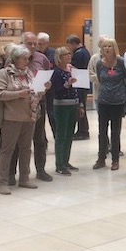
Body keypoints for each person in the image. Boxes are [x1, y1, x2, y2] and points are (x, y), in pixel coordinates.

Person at [0, 44, 50, 194]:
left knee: (26, 149)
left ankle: (24, 178)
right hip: (12, 117)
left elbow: (36, 94)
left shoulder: (29, 73)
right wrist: (18, 94)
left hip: (29, 116)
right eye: (24, 59)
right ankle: (2, 182)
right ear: (15, 59)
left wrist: (44, 88)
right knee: (7, 150)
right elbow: (0, 94)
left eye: (28, 58)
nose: (27, 61)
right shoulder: (5, 73)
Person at [11, 32, 54, 182]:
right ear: (22, 44)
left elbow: (47, 75)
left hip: (39, 102)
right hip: (19, 104)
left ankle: (41, 170)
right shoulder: (13, 59)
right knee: (17, 140)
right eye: (29, 43)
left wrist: (47, 85)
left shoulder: (42, 59)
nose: (33, 46)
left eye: (35, 43)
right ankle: (11, 174)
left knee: (39, 138)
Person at [91, 38, 126, 170]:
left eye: (109, 46)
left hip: (118, 101)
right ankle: (101, 159)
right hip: (104, 101)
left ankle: (115, 159)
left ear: (114, 48)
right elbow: (100, 79)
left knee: (115, 132)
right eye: (104, 46)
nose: (107, 48)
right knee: (102, 131)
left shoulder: (121, 62)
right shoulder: (99, 64)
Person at [49, 46, 83, 176]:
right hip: (61, 105)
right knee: (61, 135)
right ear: (59, 57)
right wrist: (67, 84)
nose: (68, 56)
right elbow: (55, 91)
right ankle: (59, 164)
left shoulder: (72, 70)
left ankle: (66, 161)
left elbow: (78, 88)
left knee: (69, 135)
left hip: (73, 104)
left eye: (69, 54)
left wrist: (80, 104)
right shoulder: (56, 72)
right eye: (65, 54)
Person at [67, 34, 91, 140]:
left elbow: (76, 68)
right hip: (84, 82)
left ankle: (83, 131)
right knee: (82, 106)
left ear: (73, 44)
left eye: (69, 45)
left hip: (80, 82)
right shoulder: (85, 51)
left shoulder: (78, 54)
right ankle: (83, 130)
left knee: (80, 107)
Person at [37, 31, 57, 137]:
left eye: (41, 44)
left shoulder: (53, 54)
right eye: (38, 43)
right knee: (39, 116)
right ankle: (42, 140)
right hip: (39, 88)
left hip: (51, 88)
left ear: (47, 43)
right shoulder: (34, 54)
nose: (38, 46)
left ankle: (57, 137)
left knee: (52, 114)